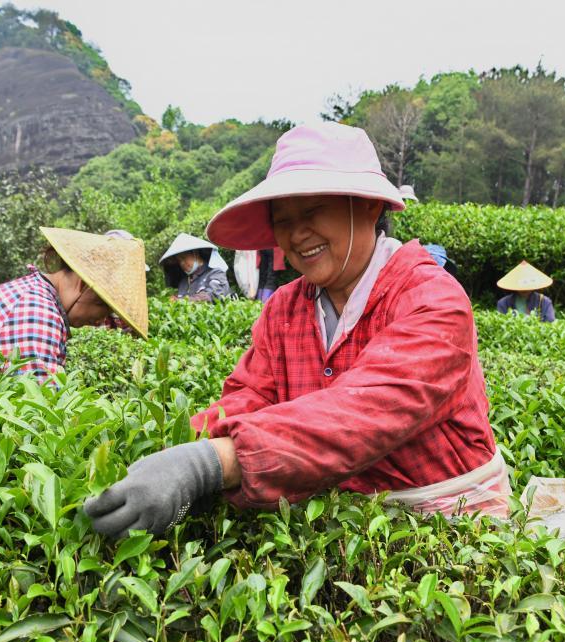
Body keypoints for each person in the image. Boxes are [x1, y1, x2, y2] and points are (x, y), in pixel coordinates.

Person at [84, 121, 509, 538]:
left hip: (452, 532)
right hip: (335, 527)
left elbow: (364, 412)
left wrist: (207, 464)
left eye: (311, 211)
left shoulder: (431, 299)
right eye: (282, 219)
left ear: (368, 206)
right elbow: (252, 396)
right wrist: (171, 447)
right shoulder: (284, 308)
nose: (296, 234)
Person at [0, 228, 148, 380]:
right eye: (104, 306)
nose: (101, 319)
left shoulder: (38, 293)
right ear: (83, 285)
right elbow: (38, 402)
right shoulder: (39, 312)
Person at [160, 233, 231, 302]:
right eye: (179, 260)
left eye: (184, 258)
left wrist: (181, 301)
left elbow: (214, 296)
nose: (182, 263)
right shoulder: (184, 282)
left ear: (195, 254)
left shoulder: (216, 273)